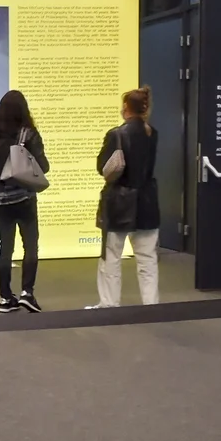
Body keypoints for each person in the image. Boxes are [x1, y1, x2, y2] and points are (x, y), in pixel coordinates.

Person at [0, 90, 49, 314]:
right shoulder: (28, 135)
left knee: (5, 248)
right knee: (30, 246)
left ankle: (5, 298)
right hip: (24, 197)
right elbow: (43, 167)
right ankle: (27, 293)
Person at [92, 86, 160, 309]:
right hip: (147, 202)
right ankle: (151, 305)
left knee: (111, 256)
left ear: (125, 108)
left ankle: (110, 304)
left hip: (119, 203)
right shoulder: (153, 133)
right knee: (147, 259)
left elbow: (101, 167)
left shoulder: (116, 134)